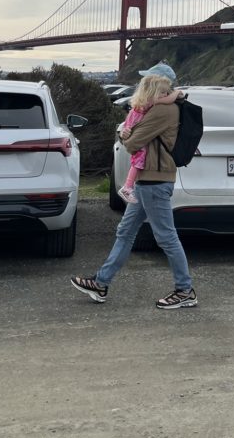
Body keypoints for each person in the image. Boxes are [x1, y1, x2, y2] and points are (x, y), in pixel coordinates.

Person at [70, 61, 197, 310]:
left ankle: (185, 290)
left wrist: (127, 134)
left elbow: (132, 143)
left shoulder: (163, 111)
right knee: (125, 232)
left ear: (154, 83)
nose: (141, 84)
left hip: (155, 181)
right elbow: (128, 134)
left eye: (146, 80)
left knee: (166, 237)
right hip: (146, 181)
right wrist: (126, 133)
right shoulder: (156, 108)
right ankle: (101, 283)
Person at [117, 81, 180, 204]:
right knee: (138, 161)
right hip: (153, 179)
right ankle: (127, 187)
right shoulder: (153, 103)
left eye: (167, 92)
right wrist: (177, 93)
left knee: (130, 220)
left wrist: (124, 135)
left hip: (148, 180)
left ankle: (128, 186)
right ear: (152, 93)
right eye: (162, 92)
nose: (165, 95)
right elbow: (131, 143)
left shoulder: (144, 104)